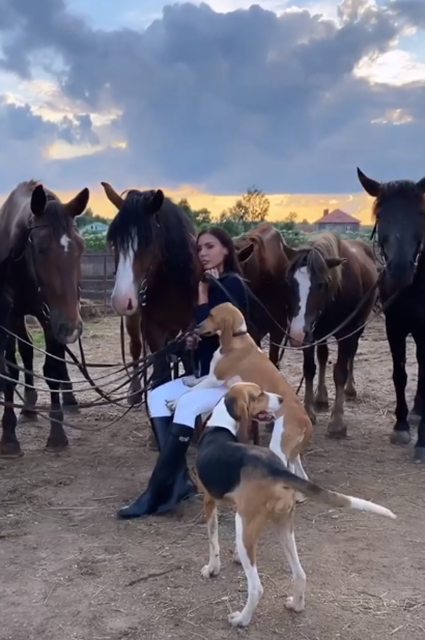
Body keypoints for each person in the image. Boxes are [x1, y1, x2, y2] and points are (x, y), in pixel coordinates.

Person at [117, 226, 250, 518]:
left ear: (226, 250)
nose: (203, 253)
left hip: (228, 380)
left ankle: (154, 491)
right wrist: (189, 340)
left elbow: (228, 331)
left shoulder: (233, 285)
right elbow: (201, 330)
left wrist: (203, 294)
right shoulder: (206, 285)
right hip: (204, 375)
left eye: (210, 247)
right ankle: (178, 480)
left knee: (187, 404)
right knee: (157, 396)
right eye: (200, 248)